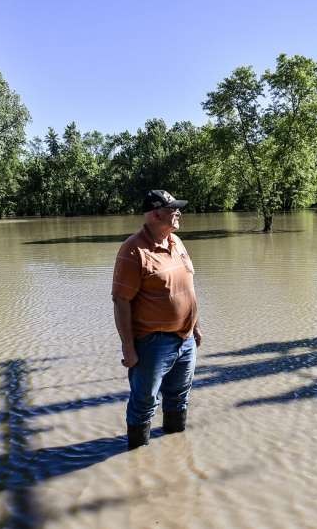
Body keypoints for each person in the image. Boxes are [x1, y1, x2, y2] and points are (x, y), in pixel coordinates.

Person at [111, 190, 202, 449]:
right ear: (155, 213)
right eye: (173, 209)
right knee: (144, 402)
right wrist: (128, 348)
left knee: (179, 398)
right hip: (152, 343)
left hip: (185, 340)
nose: (178, 213)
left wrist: (196, 326)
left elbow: (189, 287)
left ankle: (174, 454)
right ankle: (137, 459)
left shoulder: (177, 242)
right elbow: (121, 301)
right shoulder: (133, 250)